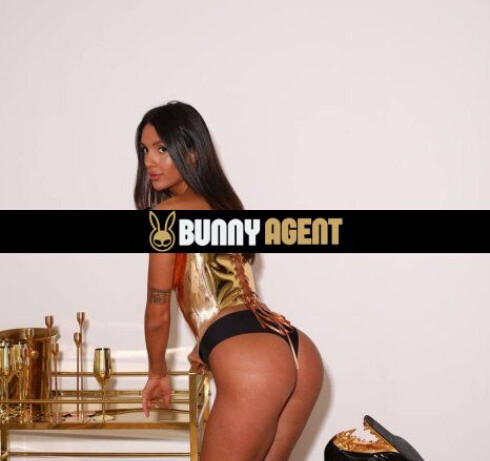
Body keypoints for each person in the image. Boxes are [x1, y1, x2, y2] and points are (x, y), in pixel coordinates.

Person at [136, 100, 324, 461]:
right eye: (144, 150)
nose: (149, 161)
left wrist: (157, 371)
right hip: (296, 349)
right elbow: (228, 292)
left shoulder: (166, 215)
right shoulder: (227, 206)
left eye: (161, 149)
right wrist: (210, 345)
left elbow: (157, 312)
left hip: (251, 359)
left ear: (192, 152)